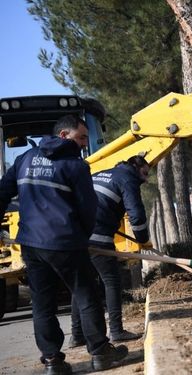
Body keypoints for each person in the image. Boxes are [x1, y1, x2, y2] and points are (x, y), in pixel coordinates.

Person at [0, 114, 128, 374]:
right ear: (63, 135)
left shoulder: (24, 159)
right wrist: (81, 236)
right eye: (81, 137)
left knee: (42, 303)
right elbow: (88, 208)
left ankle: (52, 362)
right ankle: (101, 353)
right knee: (86, 296)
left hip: (31, 245)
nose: (83, 143)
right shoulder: (76, 166)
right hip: (65, 243)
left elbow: (3, 192)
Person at [69, 155, 151, 347]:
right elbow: (137, 216)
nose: (146, 179)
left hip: (76, 237)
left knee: (79, 284)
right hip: (98, 238)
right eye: (145, 174)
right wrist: (143, 240)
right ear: (135, 167)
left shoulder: (101, 174)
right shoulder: (128, 178)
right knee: (111, 281)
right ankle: (116, 331)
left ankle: (77, 336)